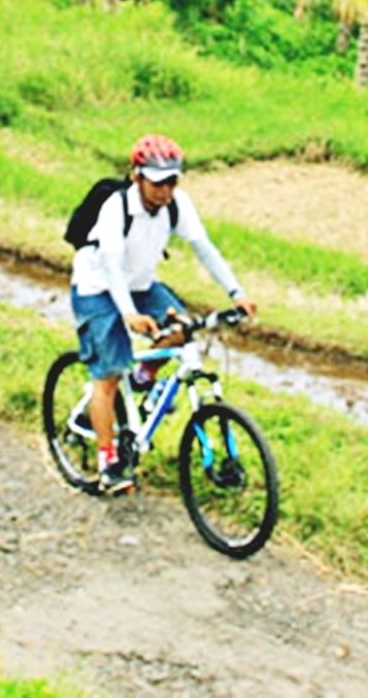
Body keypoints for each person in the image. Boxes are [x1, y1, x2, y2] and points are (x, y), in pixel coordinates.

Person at [71, 134, 257, 495]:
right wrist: (128, 315)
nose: (165, 191)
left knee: (183, 330)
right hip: (98, 289)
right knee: (108, 375)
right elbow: (110, 266)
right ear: (137, 176)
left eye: (172, 181)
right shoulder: (115, 207)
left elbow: (205, 249)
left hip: (141, 284)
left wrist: (237, 293)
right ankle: (108, 462)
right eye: (157, 183)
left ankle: (142, 377)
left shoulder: (177, 205)